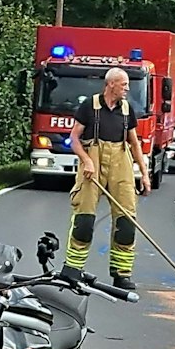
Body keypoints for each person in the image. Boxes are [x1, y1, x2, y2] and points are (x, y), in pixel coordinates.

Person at [62, 67, 150, 290]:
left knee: (126, 222)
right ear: (111, 84)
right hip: (93, 162)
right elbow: (74, 139)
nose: (127, 89)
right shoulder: (89, 106)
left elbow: (134, 143)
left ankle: (121, 274)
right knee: (84, 221)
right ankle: (72, 269)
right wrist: (86, 160)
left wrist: (144, 174)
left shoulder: (127, 109)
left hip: (120, 163)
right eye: (124, 84)